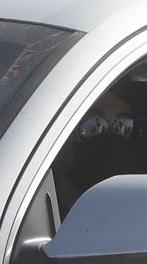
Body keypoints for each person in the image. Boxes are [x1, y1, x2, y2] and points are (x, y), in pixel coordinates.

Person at [53, 87, 140, 217]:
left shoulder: (143, 211)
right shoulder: (26, 203)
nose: (112, 136)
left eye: (123, 126)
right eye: (93, 125)